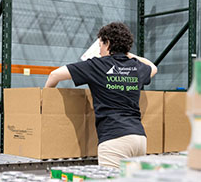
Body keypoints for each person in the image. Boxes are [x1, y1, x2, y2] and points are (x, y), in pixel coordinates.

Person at [44, 22, 158, 168]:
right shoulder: (136, 67)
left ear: (108, 43)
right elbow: (153, 67)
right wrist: (126, 53)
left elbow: (54, 75)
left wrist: (46, 98)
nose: (99, 50)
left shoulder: (96, 65)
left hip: (114, 139)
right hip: (139, 138)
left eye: (100, 45)